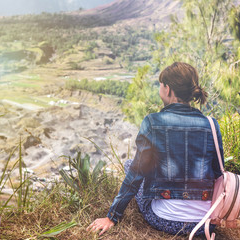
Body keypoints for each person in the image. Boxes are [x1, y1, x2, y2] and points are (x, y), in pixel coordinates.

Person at [87, 62, 223, 236]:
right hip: (207, 222)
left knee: (130, 165)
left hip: (167, 220)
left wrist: (112, 217)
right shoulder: (211, 124)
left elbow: (136, 173)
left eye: (161, 85)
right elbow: (218, 173)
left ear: (167, 89)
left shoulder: (153, 122)